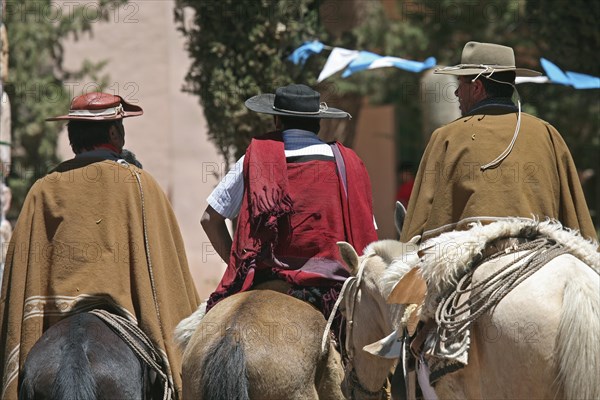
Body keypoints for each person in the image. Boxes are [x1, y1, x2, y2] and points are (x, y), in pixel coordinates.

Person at [0, 92, 199, 399]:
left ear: (73, 137)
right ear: (113, 133)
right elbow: (168, 276)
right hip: (127, 319)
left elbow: (20, 277)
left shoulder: (43, 189)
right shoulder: (140, 185)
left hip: (53, 322)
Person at [201, 83, 378, 331]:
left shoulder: (253, 159)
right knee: (375, 356)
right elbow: (367, 235)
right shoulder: (349, 164)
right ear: (318, 123)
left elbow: (210, 219)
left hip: (267, 282)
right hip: (332, 294)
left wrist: (239, 269)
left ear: (276, 121)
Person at [400, 42, 597, 243]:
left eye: (460, 84)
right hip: (542, 248)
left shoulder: (446, 137)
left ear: (476, 87)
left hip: (468, 255)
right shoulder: (548, 134)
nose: (456, 93)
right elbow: (577, 222)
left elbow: (418, 227)